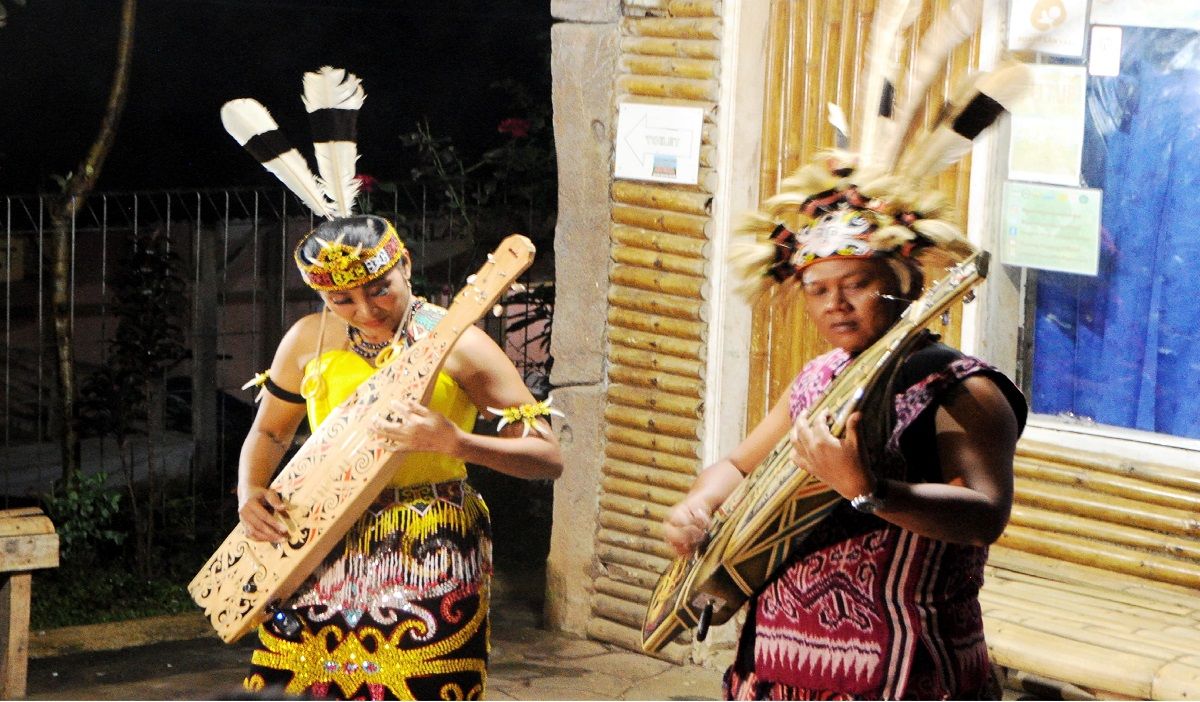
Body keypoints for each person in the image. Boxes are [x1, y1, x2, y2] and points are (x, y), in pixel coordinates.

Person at [223, 68, 563, 700]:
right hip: (317, 537)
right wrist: (250, 491)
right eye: (343, 298)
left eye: (379, 287)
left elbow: (547, 458)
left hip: (430, 548)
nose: (366, 309)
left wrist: (455, 442)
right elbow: (270, 431)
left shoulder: (459, 342)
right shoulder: (307, 340)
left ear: (405, 263)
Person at [663, 151, 1027, 699]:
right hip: (779, 666)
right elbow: (739, 466)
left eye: (856, 283)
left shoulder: (962, 388)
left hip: (903, 673)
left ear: (903, 284)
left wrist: (868, 490)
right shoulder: (818, 377)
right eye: (817, 290)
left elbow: (984, 516)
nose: (836, 304)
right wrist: (698, 505)